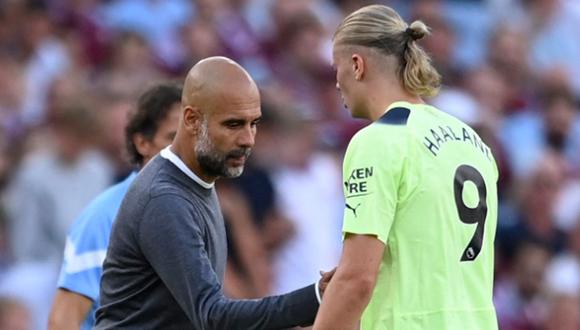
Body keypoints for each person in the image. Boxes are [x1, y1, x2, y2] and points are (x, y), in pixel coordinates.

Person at [95, 56, 333, 329]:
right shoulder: (165, 199)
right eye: (233, 124)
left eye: (253, 123)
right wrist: (317, 296)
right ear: (192, 120)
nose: (248, 140)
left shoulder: (199, 182)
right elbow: (212, 316)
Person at [314, 5, 499, 330]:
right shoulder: (473, 142)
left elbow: (356, 282)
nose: (337, 82)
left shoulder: (378, 140)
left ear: (356, 65)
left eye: (337, 68)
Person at [48, 83, 182, 330]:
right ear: (142, 143)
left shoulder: (197, 211)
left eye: (193, 138)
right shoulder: (104, 218)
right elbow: (63, 320)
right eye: (173, 138)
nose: (185, 150)